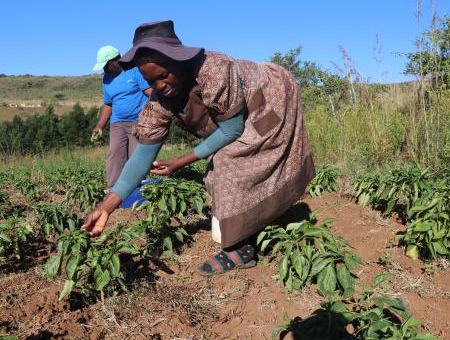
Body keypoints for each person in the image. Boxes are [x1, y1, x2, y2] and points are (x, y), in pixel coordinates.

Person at [82, 21, 315, 276]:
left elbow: (231, 130)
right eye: (151, 81)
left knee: (229, 160)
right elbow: (142, 157)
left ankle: (240, 249)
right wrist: (106, 207)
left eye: (163, 76)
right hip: (244, 113)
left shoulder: (212, 69)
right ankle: (258, 222)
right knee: (224, 163)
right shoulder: (161, 102)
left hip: (271, 98)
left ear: (177, 61)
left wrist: (180, 161)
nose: (159, 86)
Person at [92, 45, 152, 188]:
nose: (104, 69)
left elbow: (151, 94)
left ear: (116, 60)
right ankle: (114, 189)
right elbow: (108, 104)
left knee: (136, 156)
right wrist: (99, 126)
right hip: (117, 122)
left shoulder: (134, 71)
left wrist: (145, 118)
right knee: (115, 155)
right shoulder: (106, 79)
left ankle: (137, 188)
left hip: (137, 122)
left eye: (106, 65)